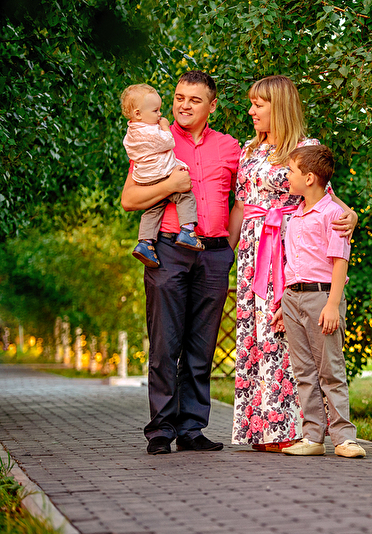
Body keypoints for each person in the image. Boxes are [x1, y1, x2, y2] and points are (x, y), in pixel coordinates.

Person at [227, 75, 357, 453]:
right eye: (251, 104)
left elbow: (326, 198)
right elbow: (241, 205)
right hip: (252, 252)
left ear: (279, 107)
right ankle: (262, 428)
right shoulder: (249, 149)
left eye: (259, 105)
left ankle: (293, 429)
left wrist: (351, 216)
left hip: (287, 248)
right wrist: (224, 254)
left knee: (282, 336)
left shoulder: (304, 148)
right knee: (256, 335)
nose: (251, 111)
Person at [120, 71, 240, 455]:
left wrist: (227, 247)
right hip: (169, 250)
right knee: (164, 343)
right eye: (178, 97)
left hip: (214, 253)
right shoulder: (157, 138)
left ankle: (191, 429)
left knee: (201, 348)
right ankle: (160, 430)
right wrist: (169, 186)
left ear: (212, 105)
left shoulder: (230, 147)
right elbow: (129, 199)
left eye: (194, 99)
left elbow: (251, 196)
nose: (183, 106)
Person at [276, 145, 366, 458]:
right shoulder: (294, 216)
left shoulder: (334, 215)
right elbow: (291, 263)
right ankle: (313, 437)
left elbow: (340, 262)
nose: (287, 177)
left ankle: (344, 438)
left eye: (291, 171)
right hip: (293, 299)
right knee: (304, 372)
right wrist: (284, 303)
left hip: (322, 298)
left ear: (310, 178)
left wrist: (332, 305)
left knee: (330, 370)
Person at [120, 83, 204, 268]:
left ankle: (145, 243)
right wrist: (165, 126)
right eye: (155, 110)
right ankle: (187, 231)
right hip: (161, 173)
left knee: (153, 209)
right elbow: (168, 142)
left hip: (145, 178)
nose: (159, 114)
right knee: (185, 196)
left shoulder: (131, 132)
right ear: (138, 114)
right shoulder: (151, 131)